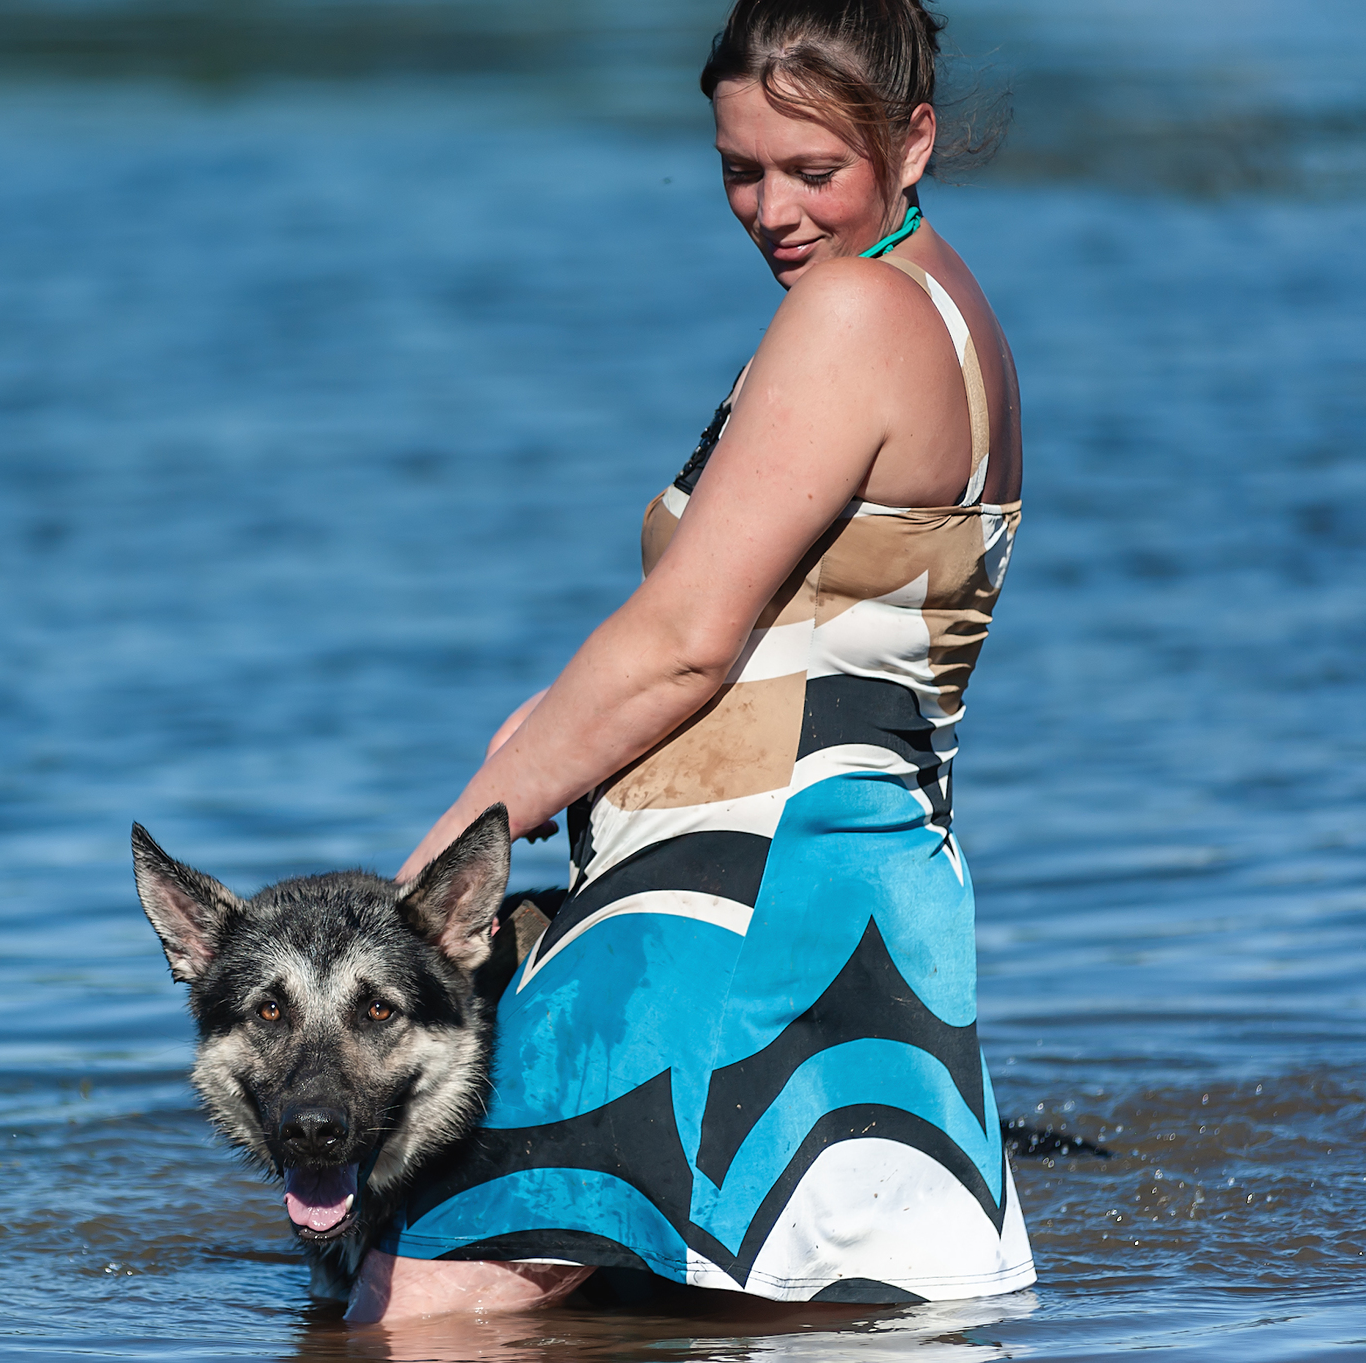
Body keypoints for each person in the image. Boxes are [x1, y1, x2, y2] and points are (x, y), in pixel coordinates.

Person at [346, 0, 1034, 1323]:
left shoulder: (851, 311)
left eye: (813, 170)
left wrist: (437, 880)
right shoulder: (953, 315)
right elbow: (823, 626)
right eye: (739, 168)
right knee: (762, 1326)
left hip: (728, 904)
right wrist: (548, 721)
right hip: (859, 900)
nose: (771, 209)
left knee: (411, 1316)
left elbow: (685, 643)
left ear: (916, 141)